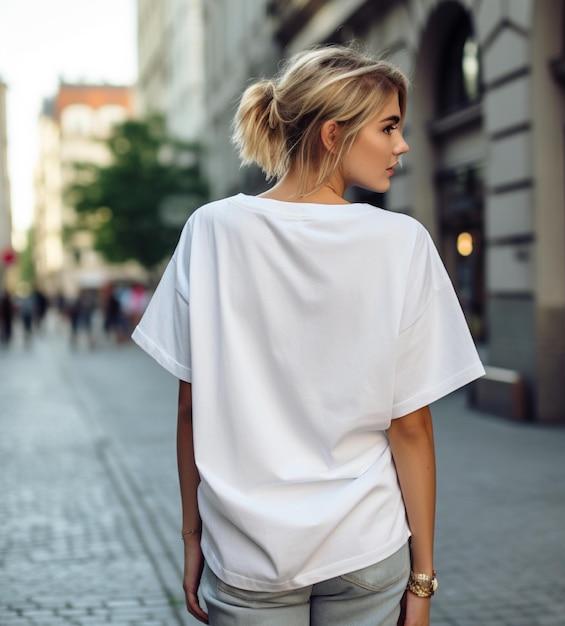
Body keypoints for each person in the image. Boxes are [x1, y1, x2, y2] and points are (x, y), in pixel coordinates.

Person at [132, 44, 484, 626]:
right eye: (389, 127)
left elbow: (190, 409)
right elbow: (411, 426)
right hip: (365, 545)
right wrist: (422, 582)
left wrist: (192, 537)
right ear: (331, 133)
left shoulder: (211, 231)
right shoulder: (401, 242)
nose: (402, 145)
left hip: (246, 551)